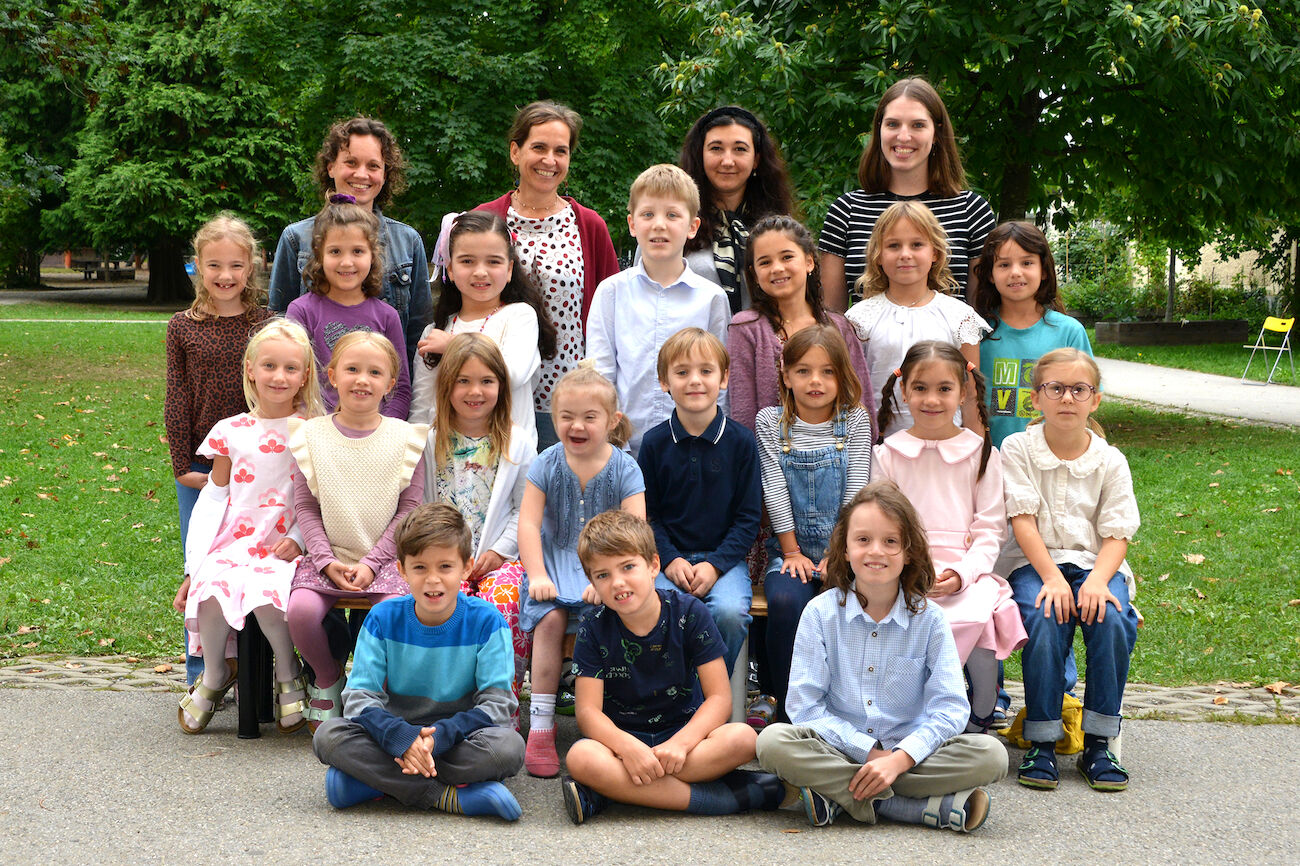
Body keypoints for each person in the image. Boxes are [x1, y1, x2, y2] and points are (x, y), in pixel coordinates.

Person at [756, 481, 1008, 830]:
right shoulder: (819, 613)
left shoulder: (930, 619)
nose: (876, 551)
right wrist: (870, 755)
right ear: (844, 549)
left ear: (908, 552)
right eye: (863, 540)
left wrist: (898, 760)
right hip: (839, 749)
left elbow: (949, 709)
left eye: (890, 542)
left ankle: (841, 795)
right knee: (771, 743)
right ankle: (911, 808)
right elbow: (805, 706)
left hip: (911, 755)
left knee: (991, 756)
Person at [559, 510, 784, 824]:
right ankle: (718, 799)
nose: (618, 583)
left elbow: (719, 698)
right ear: (592, 581)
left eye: (627, 567)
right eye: (603, 575)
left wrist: (681, 743)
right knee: (581, 757)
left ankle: (609, 792)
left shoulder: (689, 612)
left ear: (653, 565)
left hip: (684, 739)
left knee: (744, 739)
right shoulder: (593, 628)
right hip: (622, 741)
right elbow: (588, 713)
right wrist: (627, 749)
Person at [312, 503, 525, 819]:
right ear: (402, 570)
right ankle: (448, 797)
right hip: (394, 733)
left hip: (460, 736)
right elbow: (359, 698)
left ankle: (374, 784)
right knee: (328, 737)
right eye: (420, 567)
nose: (433, 580)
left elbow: (497, 704)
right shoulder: (383, 618)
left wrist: (434, 740)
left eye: (445, 567)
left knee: (509, 748)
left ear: (466, 567)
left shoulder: (488, 621)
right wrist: (404, 739)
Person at [1000, 348, 1140, 792]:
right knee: (1046, 615)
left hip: (1094, 563)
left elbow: (1118, 532)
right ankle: (1042, 739)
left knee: (1112, 617)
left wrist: (1098, 581)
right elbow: (1022, 520)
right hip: (1035, 563)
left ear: (1094, 400)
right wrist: (1054, 579)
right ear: (1036, 398)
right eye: (1054, 388)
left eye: (1079, 389)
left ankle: (1099, 742)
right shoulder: (1017, 448)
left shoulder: (1110, 459)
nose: (1066, 398)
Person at [177, 319, 323, 735]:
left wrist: (298, 539)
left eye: (291, 369)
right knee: (211, 585)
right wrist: (196, 563)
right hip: (236, 540)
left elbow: (320, 497)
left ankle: (287, 668)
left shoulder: (313, 430)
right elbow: (215, 496)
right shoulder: (231, 431)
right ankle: (216, 673)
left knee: (265, 591)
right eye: (270, 366)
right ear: (251, 371)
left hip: (286, 541)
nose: (279, 377)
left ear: (305, 376)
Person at [872, 341, 1027, 732]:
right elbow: (882, 528)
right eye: (920, 388)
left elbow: (991, 529)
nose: (932, 399)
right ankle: (909, 712)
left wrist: (963, 574)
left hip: (964, 569)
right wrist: (909, 571)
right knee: (905, 614)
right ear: (904, 390)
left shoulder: (981, 454)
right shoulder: (888, 454)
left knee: (977, 614)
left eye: (944, 389)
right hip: (903, 570)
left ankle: (980, 712)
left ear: (963, 392)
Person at [285, 332, 428, 727]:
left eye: (374, 372)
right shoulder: (309, 437)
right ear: (331, 375)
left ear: (390, 383)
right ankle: (328, 679)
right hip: (325, 556)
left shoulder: (406, 439)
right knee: (299, 612)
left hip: (385, 561)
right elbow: (306, 507)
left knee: (389, 616)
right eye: (352, 369)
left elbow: (409, 511)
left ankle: (367, 689)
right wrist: (325, 560)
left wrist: (371, 562)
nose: (362, 379)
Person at [517, 365, 646, 777]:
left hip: (608, 568)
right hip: (554, 563)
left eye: (590, 417)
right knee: (551, 620)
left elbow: (635, 532)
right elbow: (529, 524)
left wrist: (606, 580)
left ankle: (612, 720)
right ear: (553, 420)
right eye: (566, 416)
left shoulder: (626, 468)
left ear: (612, 422)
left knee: (605, 620)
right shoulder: (546, 463)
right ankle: (540, 723)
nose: (577, 425)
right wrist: (536, 574)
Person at [473, 101, 619, 449]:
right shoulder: (484, 219)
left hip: (570, 403)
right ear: (515, 151)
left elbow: (610, 315)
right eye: (539, 147)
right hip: (496, 394)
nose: (549, 160)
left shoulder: (589, 226)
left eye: (561, 151)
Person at [166, 213, 273, 685]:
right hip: (202, 467)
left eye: (235, 265)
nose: (225, 276)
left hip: (261, 462)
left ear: (251, 268)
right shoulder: (182, 326)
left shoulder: (267, 324)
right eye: (214, 265)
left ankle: (259, 668)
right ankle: (202, 668)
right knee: (201, 559)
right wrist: (182, 464)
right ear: (197, 266)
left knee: (257, 560)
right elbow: (177, 394)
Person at [756, 326, 872, 722]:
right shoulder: (771, 422)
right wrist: (791, 552)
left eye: (827, 372)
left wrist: (838, 556)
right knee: (788, 602)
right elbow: (773, 487)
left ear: (842, 376)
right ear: (785, 376)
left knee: (853, 601)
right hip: (789, 551)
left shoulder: (854, 421)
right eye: (803, 371)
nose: (815, 382)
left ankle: (849, 703)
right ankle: (786, 707)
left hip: (847, 550)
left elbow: (856, 491)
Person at [636, 328, 760, 675]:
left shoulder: (740, 442)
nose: (695, 381)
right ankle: (671, 700)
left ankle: (709, 698)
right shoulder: (654, 443)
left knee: (729, 613)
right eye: (682, 372)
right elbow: (649, 517)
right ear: (664, 382)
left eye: (706, 371)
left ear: (724, 379)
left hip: (724, 562)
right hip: (666, 561)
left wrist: (715, 564)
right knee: (654, 611)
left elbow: (748, 518)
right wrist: (670, 560)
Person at [423, 333, 537, 706]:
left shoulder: (517, 443)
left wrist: (500, 552)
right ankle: (442, 699)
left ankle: (501, 702)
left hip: (497, 559)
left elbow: (527, 509)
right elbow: (422, 506)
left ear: (501, 387)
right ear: (447, 385)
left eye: (487, 381)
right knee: (432, 604)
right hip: (442, 558)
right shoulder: (430, 440)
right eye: (464, 381)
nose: (476, 391)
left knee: (501, 605)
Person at [586, 163, 730, 454]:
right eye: (648, 214)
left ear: (692, 227)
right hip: (620, 449)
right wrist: (615, 444)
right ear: (632, 223)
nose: (659, 225)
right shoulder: (611, 292)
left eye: (672, 215)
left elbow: (721, 383)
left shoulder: (712, 298)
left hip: (691, 450)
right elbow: (600, 374)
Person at [269, 116, 432, 368]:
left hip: (384, 400)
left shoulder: (408, 242)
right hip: (314, 401)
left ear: (385, 174)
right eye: (351, 162)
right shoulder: (295, 238)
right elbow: (278, 328)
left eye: (374, 166)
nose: (362, 174)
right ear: (331, 166)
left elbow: (418, 337)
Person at [819, 77, 996, 310]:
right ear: (879, 130)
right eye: (892, 124)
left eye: (918, 125)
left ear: (936, 133)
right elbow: (832, 318)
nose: (903, 136)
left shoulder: (972, 211)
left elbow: (981, 316)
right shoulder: (846, 211)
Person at [845, 200, 989, 439]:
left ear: (934, 252)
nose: (905, 254)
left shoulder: (959, 317)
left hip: (946, 449)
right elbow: (851, 393)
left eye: (916, 244)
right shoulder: (859, 319)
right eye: (893, 245)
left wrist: (977, 453)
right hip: (880, 449)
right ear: (878, 255)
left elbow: (972, 395)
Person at [409, 211, 554, 447]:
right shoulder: (434, 333)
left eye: (493, 261)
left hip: (509, 463)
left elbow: (511, 375)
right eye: (467, 261)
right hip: (445, 468)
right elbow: (420, 410)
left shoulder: (520, 316)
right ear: (450, 269)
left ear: (509, 270)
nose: (480, 271)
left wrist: (454, 346)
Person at [727, 214, 873, 432]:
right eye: (765, 262)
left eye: (786, 257)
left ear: (809, 262)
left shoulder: (839, 327)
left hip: (837, 457)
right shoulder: (745, 328)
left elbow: (862, 404)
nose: (777, 268)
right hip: (771, 459)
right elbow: (743, 410)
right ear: (754, 274)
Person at [286, 197, 412, 418]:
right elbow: (292, 379)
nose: (346, 262)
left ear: (372, 255)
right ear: (319, 255)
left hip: (375, 435)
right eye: (335, 252)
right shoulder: (301, 311)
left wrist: (383, 431)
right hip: (316, 431)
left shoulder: (387, 316)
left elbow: (400, 389)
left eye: (357, 251)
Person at [972, 221, 1094, 447]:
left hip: (1052, 458)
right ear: (990, 274)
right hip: (991, 459)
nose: (1015, 272)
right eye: (1004, 265)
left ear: (1044, 270)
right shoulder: (976, 332)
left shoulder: (1069, 332)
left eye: (1027, 262)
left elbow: (1085, 397)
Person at [678, 105, 796, 315]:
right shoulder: (674, 222)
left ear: (756, 159)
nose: (728, 160)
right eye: (716, 148)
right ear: (700, 154)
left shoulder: (779, 228)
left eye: (740, 149)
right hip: (687, 346)